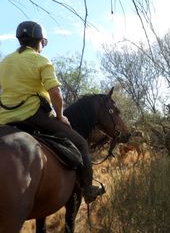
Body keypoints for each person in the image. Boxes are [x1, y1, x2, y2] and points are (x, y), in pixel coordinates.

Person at [0, 21, 104, 204]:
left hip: (5, 120)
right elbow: (55, 92)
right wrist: (59, 115)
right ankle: (88, 188)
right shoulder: (40, 60)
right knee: (80, 143)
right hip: (33, 116)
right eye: (43, 43)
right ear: (39, 41)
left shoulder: (5, 62)